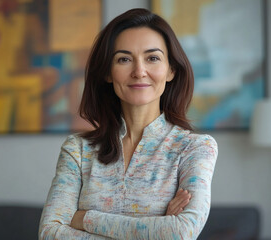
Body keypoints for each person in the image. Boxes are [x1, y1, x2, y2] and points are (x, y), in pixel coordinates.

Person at [39, 8, 218, 240]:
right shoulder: (77, 150)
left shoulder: (196, 148)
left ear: (171, 70)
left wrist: (83, 219)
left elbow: (181, 232)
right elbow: (49, 233)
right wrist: (156, 228)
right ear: (108, 73)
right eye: (124, 59)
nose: (139, 71)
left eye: (152, 58)